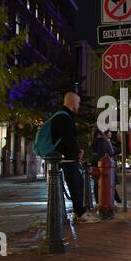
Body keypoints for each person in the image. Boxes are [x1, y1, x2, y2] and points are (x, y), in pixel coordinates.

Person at [51, 92, 100, 223]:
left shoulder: (63, 115)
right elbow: (68, 137)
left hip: (64, 157)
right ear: (72, 102)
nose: (79, 105)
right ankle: (80, 213)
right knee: (75, 184)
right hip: (66, 157)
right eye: (78, 103)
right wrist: (78, 150)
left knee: (77, 184)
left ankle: (79, 212)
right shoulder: (64, 117)